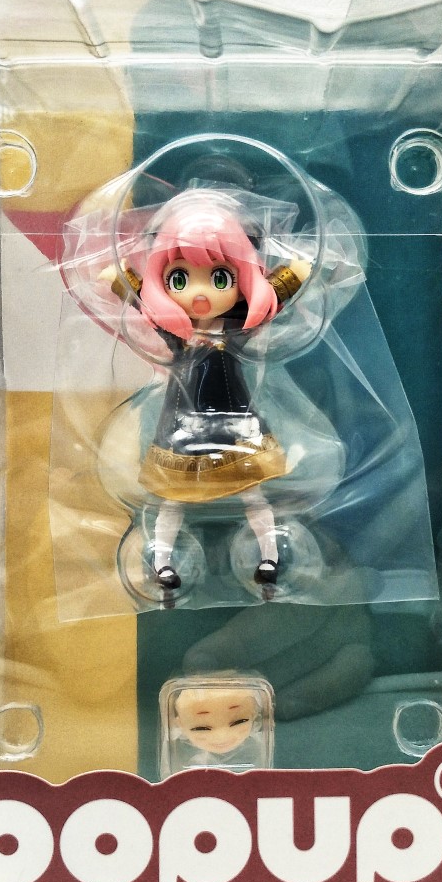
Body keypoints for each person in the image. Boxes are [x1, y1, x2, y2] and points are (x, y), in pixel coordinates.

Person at [102, 190, 310, 602]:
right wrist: (119, 277)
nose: (200, 294)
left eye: (219, 278)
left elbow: (275, 295)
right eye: (179, 279)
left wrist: (295, 273)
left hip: (235, 424)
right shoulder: (174, 331)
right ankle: (163, 563)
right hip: (183, 427)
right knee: (171, 499)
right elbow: (140, 297)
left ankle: (270, 557)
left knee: (252, 492)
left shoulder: (237, 327)